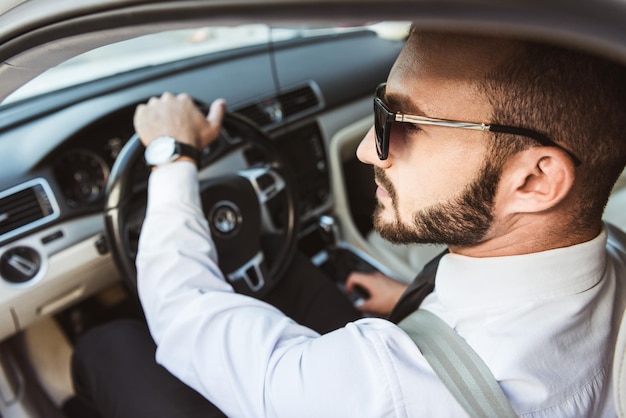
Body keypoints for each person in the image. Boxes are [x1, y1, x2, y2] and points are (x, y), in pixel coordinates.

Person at [72, 29, 626, 417]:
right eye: (379, 109)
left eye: (401, 123)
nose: (367, 150)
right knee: (288, 272)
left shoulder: (385, 390)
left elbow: (184, 316)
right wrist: (410, 300)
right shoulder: (613, 259)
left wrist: (171, 156)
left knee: (108, 345)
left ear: (535, 181)